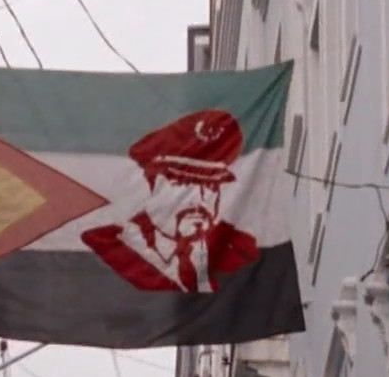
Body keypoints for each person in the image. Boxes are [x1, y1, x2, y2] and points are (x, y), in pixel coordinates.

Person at [81, 109, 260, 295]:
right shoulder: (111, 247)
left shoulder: (241, 253)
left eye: (210, 186)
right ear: (150, 186)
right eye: (182, 184)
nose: (199, 200)